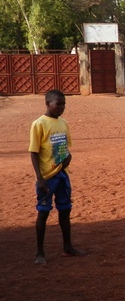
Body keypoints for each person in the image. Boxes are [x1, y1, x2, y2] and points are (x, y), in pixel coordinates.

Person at [29, 89, 87, 265]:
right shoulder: (39, 124)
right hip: (47, 176)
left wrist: (68, 157)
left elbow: (64, 146)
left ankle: (67, 246)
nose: (62, 107)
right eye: (58, 104)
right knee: (43, 212)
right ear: (48, 104)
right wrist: (40, 178)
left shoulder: (63, 123)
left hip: (62, 174)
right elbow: (34, 152)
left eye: (64, 104)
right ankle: (40, 252)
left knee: (65, 210)